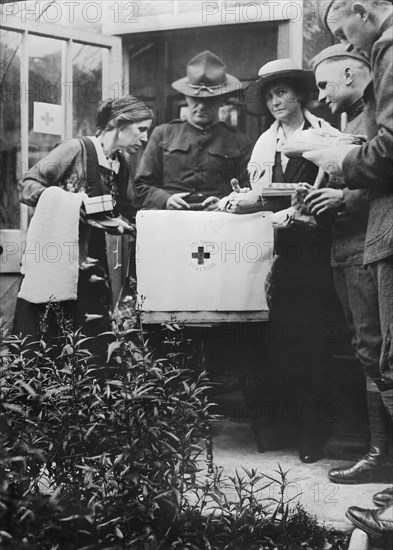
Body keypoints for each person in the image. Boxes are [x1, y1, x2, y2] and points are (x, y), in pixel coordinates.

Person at [227, 58, 344, 463]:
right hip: (273, 250)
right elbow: (261, 195)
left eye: (283, 92)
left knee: (312, 340)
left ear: (300, 94)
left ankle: (315, 434)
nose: (277, 101)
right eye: (271, 95)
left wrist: (301, 209)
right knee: (277, 341)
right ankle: (283, 429)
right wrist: (245, 202)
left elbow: (337, 191)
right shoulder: (263, 144)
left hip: (313, 251)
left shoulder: (326, 137)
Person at [313, 0, 393, 537]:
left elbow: (380, 164)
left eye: (350, 38)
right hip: (354, 245)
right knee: (374, 351)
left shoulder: (386, 55)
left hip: (373, 235)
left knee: (383, 351)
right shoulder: (349, 115)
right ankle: (382, 455)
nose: (355, 45)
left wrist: (340, 185)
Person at [14, 95, 153, 350]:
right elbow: (27, 185)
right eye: (141, 129)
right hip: (58, 260)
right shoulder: (75, 149)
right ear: (119, 123)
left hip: (95, 269)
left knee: (90, 345)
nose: (145, 138)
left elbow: (128, 209)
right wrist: (73, 204)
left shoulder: (122, 164)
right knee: (46, 340)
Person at [135, 51, 252, 210]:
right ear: (186, 97)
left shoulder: (240, 141)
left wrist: (224, 203)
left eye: (209, 99)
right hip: (169, 221)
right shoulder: (162, 134)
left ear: (222, 100)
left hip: (219, 222)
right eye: (196, 98)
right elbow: (141, 186)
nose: (202, 106)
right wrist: (165, 200)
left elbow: (248, 189)